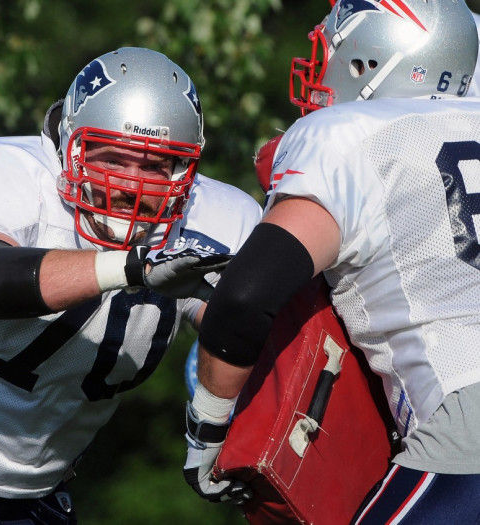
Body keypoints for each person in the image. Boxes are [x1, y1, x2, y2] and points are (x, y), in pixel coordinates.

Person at [0, 47, 262, 524]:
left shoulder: (220, 218)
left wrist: (211, 428)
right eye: (113, 158)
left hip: (36, 493)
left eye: (156, 165)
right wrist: (133, 268)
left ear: (187, 169)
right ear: (70, 144)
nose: (131, 185)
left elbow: (239, 329)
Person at [183, 1, 480, 523]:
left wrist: (206, 432)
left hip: (465, 422)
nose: (322, 66)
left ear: (375, 58)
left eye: (336, 50)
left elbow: (246, 299)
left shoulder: (346, 137)